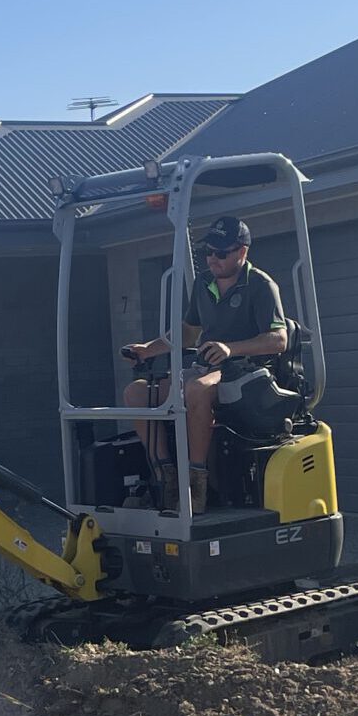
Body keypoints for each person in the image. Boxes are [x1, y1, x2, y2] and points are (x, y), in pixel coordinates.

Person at [120, 214, 288, 513]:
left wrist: (230, 349)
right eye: (208, 251)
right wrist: (148, 349)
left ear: (242, 251)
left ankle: (197, 484)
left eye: (220, 253)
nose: (212, 259)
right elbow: (188, 331)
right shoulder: (204, 282)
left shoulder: (261, 285)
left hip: (247, 373)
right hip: (205, 369)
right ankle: (167, 478)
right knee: (136, 393)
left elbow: (279, 340)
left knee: (196, 390)